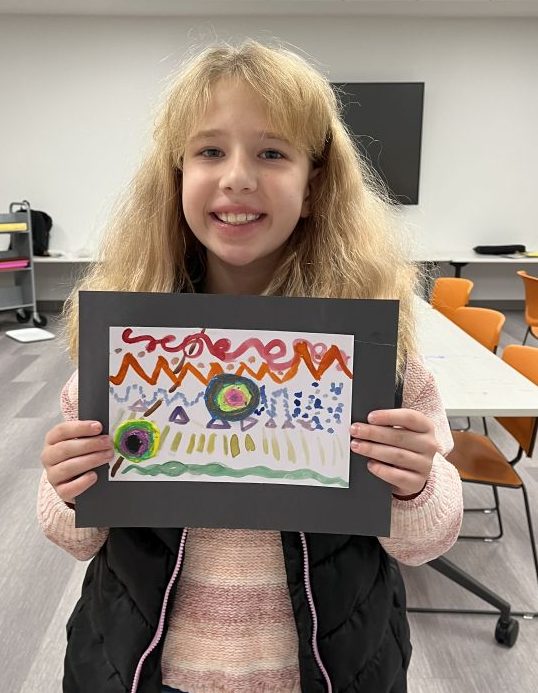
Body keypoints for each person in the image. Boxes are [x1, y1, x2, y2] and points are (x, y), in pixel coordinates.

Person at [38, 40, 463, 693]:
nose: (237, 176)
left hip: (326, 671)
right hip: (144, 667)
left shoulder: (378, 356)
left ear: (314, 187)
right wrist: (67, 487)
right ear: (176, 177)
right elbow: (74, 534)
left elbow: (426, 537)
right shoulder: (131, 348)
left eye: (272, 153)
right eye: (209, 151)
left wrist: (415, 486)